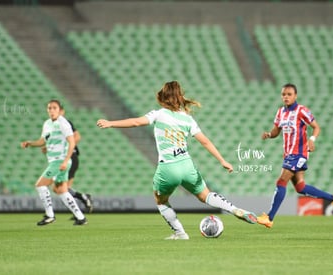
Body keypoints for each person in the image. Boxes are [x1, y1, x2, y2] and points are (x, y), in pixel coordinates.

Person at [97, 81, 257, 240]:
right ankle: (235, 209)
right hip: (187, 165)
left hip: (168, 167)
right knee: (205, 195)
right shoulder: (187, 119)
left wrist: (111, 123)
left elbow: (137, 122)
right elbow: (205, 141)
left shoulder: (158, 114)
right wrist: (222, 161)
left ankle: (180, 233)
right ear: (180, 97)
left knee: (160, 200)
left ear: (163, 97)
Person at [257, 83, 333, 228]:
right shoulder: (280, 112)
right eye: (283, 94)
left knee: (281, 182)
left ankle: (269, 218)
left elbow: (316, 127)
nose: (286, 97)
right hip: (288, 154)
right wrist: (269, 134)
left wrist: (312, 139)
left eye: (289, 94)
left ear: (295, 96)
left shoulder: (302, 111)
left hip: (299, 153)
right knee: (301, 187)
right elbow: (276, 131)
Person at [21, 100, 87, 226]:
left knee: (40, 185)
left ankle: (50, 215)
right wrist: (30, 143)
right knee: (61, 190)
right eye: (49, 108)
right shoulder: (47, 124)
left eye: (54, 108)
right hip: (56, 161)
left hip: (60, 161)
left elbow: (72, 142)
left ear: (59, 110)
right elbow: (42, 141)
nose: (51, 110)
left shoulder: (63, 123)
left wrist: (66, 160)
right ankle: (81, 217)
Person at [42, 109, 93, 215]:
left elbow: (77, 137)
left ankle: (80, 207)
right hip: (65, 158)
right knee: (59, 189)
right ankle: (81, 202)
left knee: (60, 188)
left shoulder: (64, 123)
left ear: (62, 111)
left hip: (69, 158)